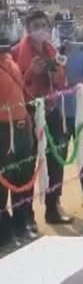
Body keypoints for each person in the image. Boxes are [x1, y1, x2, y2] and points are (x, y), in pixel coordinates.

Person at [11, 9, 72, 225]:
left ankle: (53, 208)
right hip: (27, 115)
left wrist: (57, 74)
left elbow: (62, 81)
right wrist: (30, 73)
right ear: (27, 29)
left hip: (52, 112)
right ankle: (25, 216)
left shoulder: (51, 49)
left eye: (44, 26)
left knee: (55, 161)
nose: (41, 30)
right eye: (36, 26)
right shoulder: (16, 52)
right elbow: (13, 89)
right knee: (27, 165)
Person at [0, 42, 37, 244]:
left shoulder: (10, 62)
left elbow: (21, 92)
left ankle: (21, 225)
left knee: (21, 179)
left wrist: (28, 121)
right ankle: (4, 234)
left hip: (21, 128)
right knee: (4, 181)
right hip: (4, 131)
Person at [62, 31, 83, 207]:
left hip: (80, 112)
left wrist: (76, 83)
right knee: (57, 157)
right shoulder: (54, 51)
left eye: (69, 28)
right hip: (59, 115)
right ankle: (55, 202)